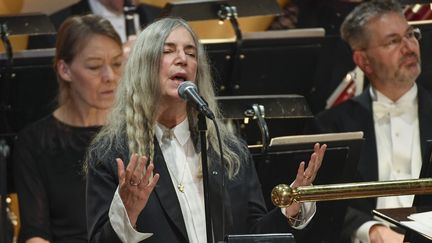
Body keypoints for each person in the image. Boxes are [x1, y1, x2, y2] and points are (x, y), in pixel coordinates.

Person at [85, 17, 327, 243]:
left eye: (191, 53)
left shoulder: (229, 151)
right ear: (143, 66)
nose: (183, 59)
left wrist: (291, 206)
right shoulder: (112, 153)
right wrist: (126, 213)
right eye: (168, 51)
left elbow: (253, 235)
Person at [307, 0, 432, 242]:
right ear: (363, 61)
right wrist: (371, 230)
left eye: (410, 35)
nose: (408, 47)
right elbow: (324, 203)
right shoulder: (331, 126)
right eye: (393, 41)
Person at [13, 14, 123, 243]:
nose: (110, 77)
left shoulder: (134, 131)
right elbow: (36, 232)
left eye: (117, 63)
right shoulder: (34, 142)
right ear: (65, 70)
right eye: (94, 67)